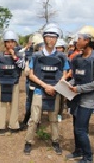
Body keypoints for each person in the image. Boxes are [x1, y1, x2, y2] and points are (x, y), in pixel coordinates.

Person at [23, 24, 70, 155]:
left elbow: (65, 73)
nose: (50, 39)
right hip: (39, 91)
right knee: (34, 119)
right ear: (44, 38)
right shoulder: (36, 56)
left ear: (57, 39)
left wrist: (55, 87)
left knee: (53, 119)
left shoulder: (62, 56)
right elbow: (31, 75)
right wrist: (45, 86)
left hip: (54, 92)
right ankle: (28, 142)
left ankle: (55, 141)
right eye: (48, 36)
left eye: (53, 37)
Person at [65, 25, 94, 163]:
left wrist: (80, 88)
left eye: (79, 39)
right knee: (76, 126)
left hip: (88, 99)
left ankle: (88, 158)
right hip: (76, 97)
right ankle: (78, 151)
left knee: (81, 129)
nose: (76, 42)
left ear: (87, 41)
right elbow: (76, 77)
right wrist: (68, 84)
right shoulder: (77, 59)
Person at [0, 30, 25, 134]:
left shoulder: (19, 55)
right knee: (1, 104)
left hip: (14, 83)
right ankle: (0, 126)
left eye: (12, 42)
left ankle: (13, 125)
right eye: (8, 41)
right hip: (2, 82)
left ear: (15, 43)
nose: (10, 44)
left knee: (14, 105)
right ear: (4, 43)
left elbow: (22, 67)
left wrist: (14, 56)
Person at [19, 32, 44, 131]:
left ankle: (35, 121)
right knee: (29, 101)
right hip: (30, 82)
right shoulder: (29, 55)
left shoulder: (40, 56)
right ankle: (28, 119)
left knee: (36, 102)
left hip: (38, 82)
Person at [54, 38, 69, 122]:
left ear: (63, 48)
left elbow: (67, 70)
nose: (58, 49)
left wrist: (63, 78)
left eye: (60, 47)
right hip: (53, 80)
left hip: (61, 80)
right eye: (57, 47)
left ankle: (59, 114)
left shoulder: (65, 58)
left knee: (61, 99)